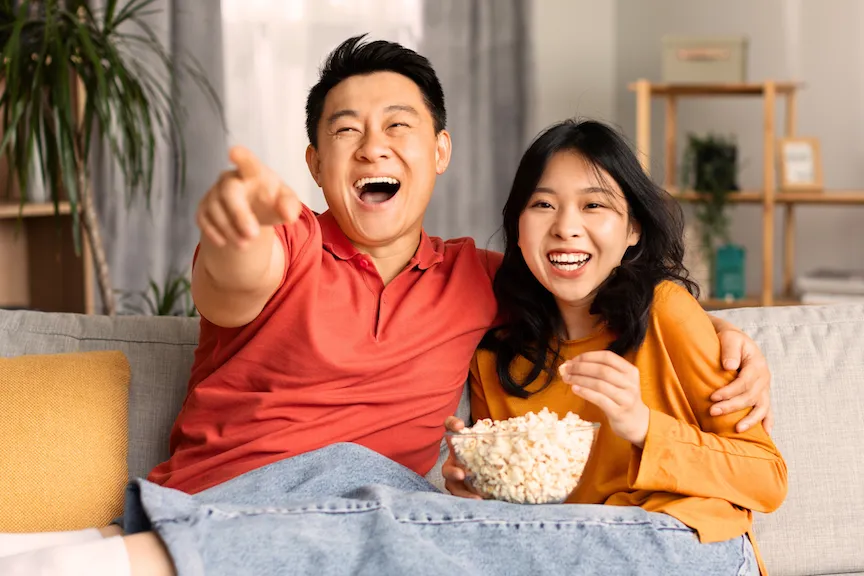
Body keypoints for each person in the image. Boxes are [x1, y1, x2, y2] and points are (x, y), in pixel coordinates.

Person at [0, 36, 774, 576]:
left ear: (439, 151)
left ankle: (96, 557)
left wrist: (718, 331)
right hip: (237, 507)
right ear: (314, 162)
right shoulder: (289, 240)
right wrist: (235, 219)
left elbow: (593, 284)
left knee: (372, 486)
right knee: (350, 471)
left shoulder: (488, 282)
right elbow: (238, 273)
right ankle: (112, 550)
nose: (373, 147)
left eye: (398, 126)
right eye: (347, 130)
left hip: (374, 528)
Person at [442, 119, 786, 575]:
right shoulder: (496, 356)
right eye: (544, 203)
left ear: (633, 230)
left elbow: (767, 478)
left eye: (594, 206)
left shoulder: (667, 313)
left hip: (682, 542)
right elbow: (522, 512)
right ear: (519, 228)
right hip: (573, 549)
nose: (566, 227)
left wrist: (644, 426)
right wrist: (476, 484)